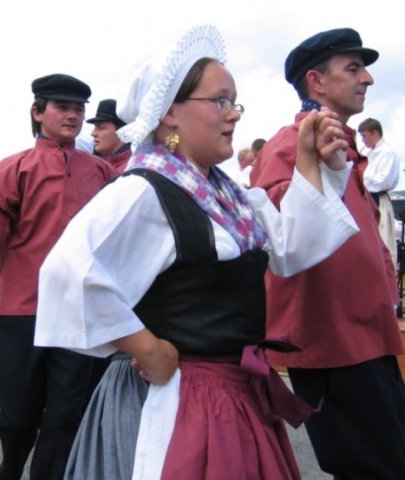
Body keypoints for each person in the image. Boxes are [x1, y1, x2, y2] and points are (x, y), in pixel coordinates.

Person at [34, 24, 358, 480]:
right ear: (169, 113)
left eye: (235, 102)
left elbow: (289, 249)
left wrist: (313, 163)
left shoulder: (230, 196)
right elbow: (67, 272)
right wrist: (145, 347)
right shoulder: (145, 191)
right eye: (220, 101)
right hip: (179, 401)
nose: (234, 114)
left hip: (231, 395)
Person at [0, 73, 117, 480]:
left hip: (80, 310)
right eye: (62, 107)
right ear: (38, 112)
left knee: (66, 413)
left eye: (79, 109)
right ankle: (10, 465)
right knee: (17, 410)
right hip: (26, 307)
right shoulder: (13, 168)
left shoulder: (102, 171)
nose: (73, 116)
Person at [250, 27, 405, 479]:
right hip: (332, 346)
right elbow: (279, 238)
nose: (368, 79)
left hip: (364, 338)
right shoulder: (290, 142)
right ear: (316, 81)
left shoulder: (339, 142)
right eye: (353, 68)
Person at [358, 117, 400, 268]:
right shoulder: (366, 153)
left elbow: (384, 181)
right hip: (365, 201)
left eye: (364, 136)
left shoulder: (388, 153)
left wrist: (361, 173)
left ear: (375, 133)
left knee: (383, 244)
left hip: (379, 201)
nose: (363, 140)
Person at [87, 98, 132, 172]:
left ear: (121, 131)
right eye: (95, 127)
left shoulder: (130, 169)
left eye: (101, 128)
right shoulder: (103, 164)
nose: (93, 133)